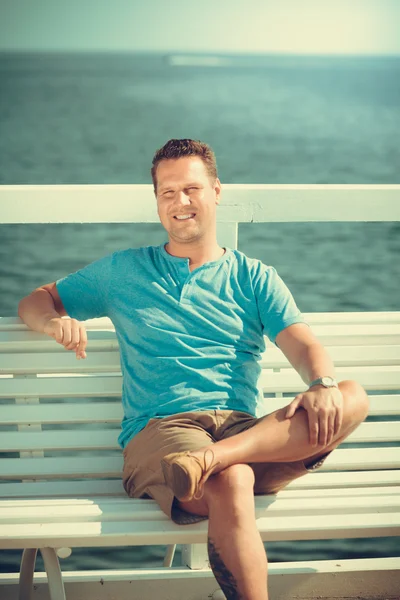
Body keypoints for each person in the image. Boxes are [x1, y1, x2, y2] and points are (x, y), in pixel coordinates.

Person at [18, 138, 369, 600]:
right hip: (164, 431)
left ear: (216, 191)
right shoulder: (125, 271)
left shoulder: (254, 276)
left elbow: (302, 343)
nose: (180, 202)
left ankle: (215, 459)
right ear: (157, 201)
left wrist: (321, 384)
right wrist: (54, 322)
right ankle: (217, 462)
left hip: (243, 434)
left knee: (351, 394)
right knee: (234, 479)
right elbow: (38, 299)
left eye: (191, 189)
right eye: (168, 193)